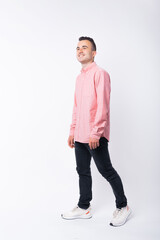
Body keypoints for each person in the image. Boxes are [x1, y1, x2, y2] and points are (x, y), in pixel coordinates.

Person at [61, 36, 131, 226]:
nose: (80, 50)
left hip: (94, 135)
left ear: (94, 53)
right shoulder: (79, 78)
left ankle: (123, 206)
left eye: (84, 47)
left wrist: (96, 132)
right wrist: (72, 130)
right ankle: (84, 207)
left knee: (106, 170)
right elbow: (77, 107)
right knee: (82, 171)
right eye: (77, 48)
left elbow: (103, 106)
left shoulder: (100, 74)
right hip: (80, 135)